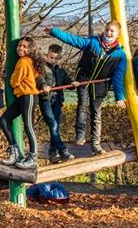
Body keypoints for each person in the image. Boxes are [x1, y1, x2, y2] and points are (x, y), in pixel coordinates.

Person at [47, 21, 127, 155]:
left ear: (117, 34)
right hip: (84, 79)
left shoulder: (120, 54)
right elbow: (73, 40)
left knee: (96, 112)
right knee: (83, 105)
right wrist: (54, 31)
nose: (109, 32)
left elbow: (118, 77)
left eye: (112, 31)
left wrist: (120, 96)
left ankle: (96, 143)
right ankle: (80, 134)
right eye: (107, 30)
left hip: (100, 85)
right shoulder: (93, 42)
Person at [0, 37, 44, 169]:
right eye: (19, 46)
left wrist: (8, 76)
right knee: (4, 120)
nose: (20, 49)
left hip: (28, 96)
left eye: (24, 47)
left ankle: (33, 156)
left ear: (30, 49)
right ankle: (15, 151)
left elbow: (14, 81)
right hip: (22, 97)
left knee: (29, 126)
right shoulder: (27, 61)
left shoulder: (23, 62)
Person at [39, 45, 75, 163]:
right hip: (46, 100)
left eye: (56, 58)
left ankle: (52, 152)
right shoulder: (42, 68)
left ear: (59, 58)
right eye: (51, 57)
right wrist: (44, 85)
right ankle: (63, 150)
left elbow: (67, 82)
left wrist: (73, 83)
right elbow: (39, 79)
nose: (53, 60)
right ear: (47, 55)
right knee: (53, 124)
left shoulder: (61, 71)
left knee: (55, 127)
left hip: (57, 100)